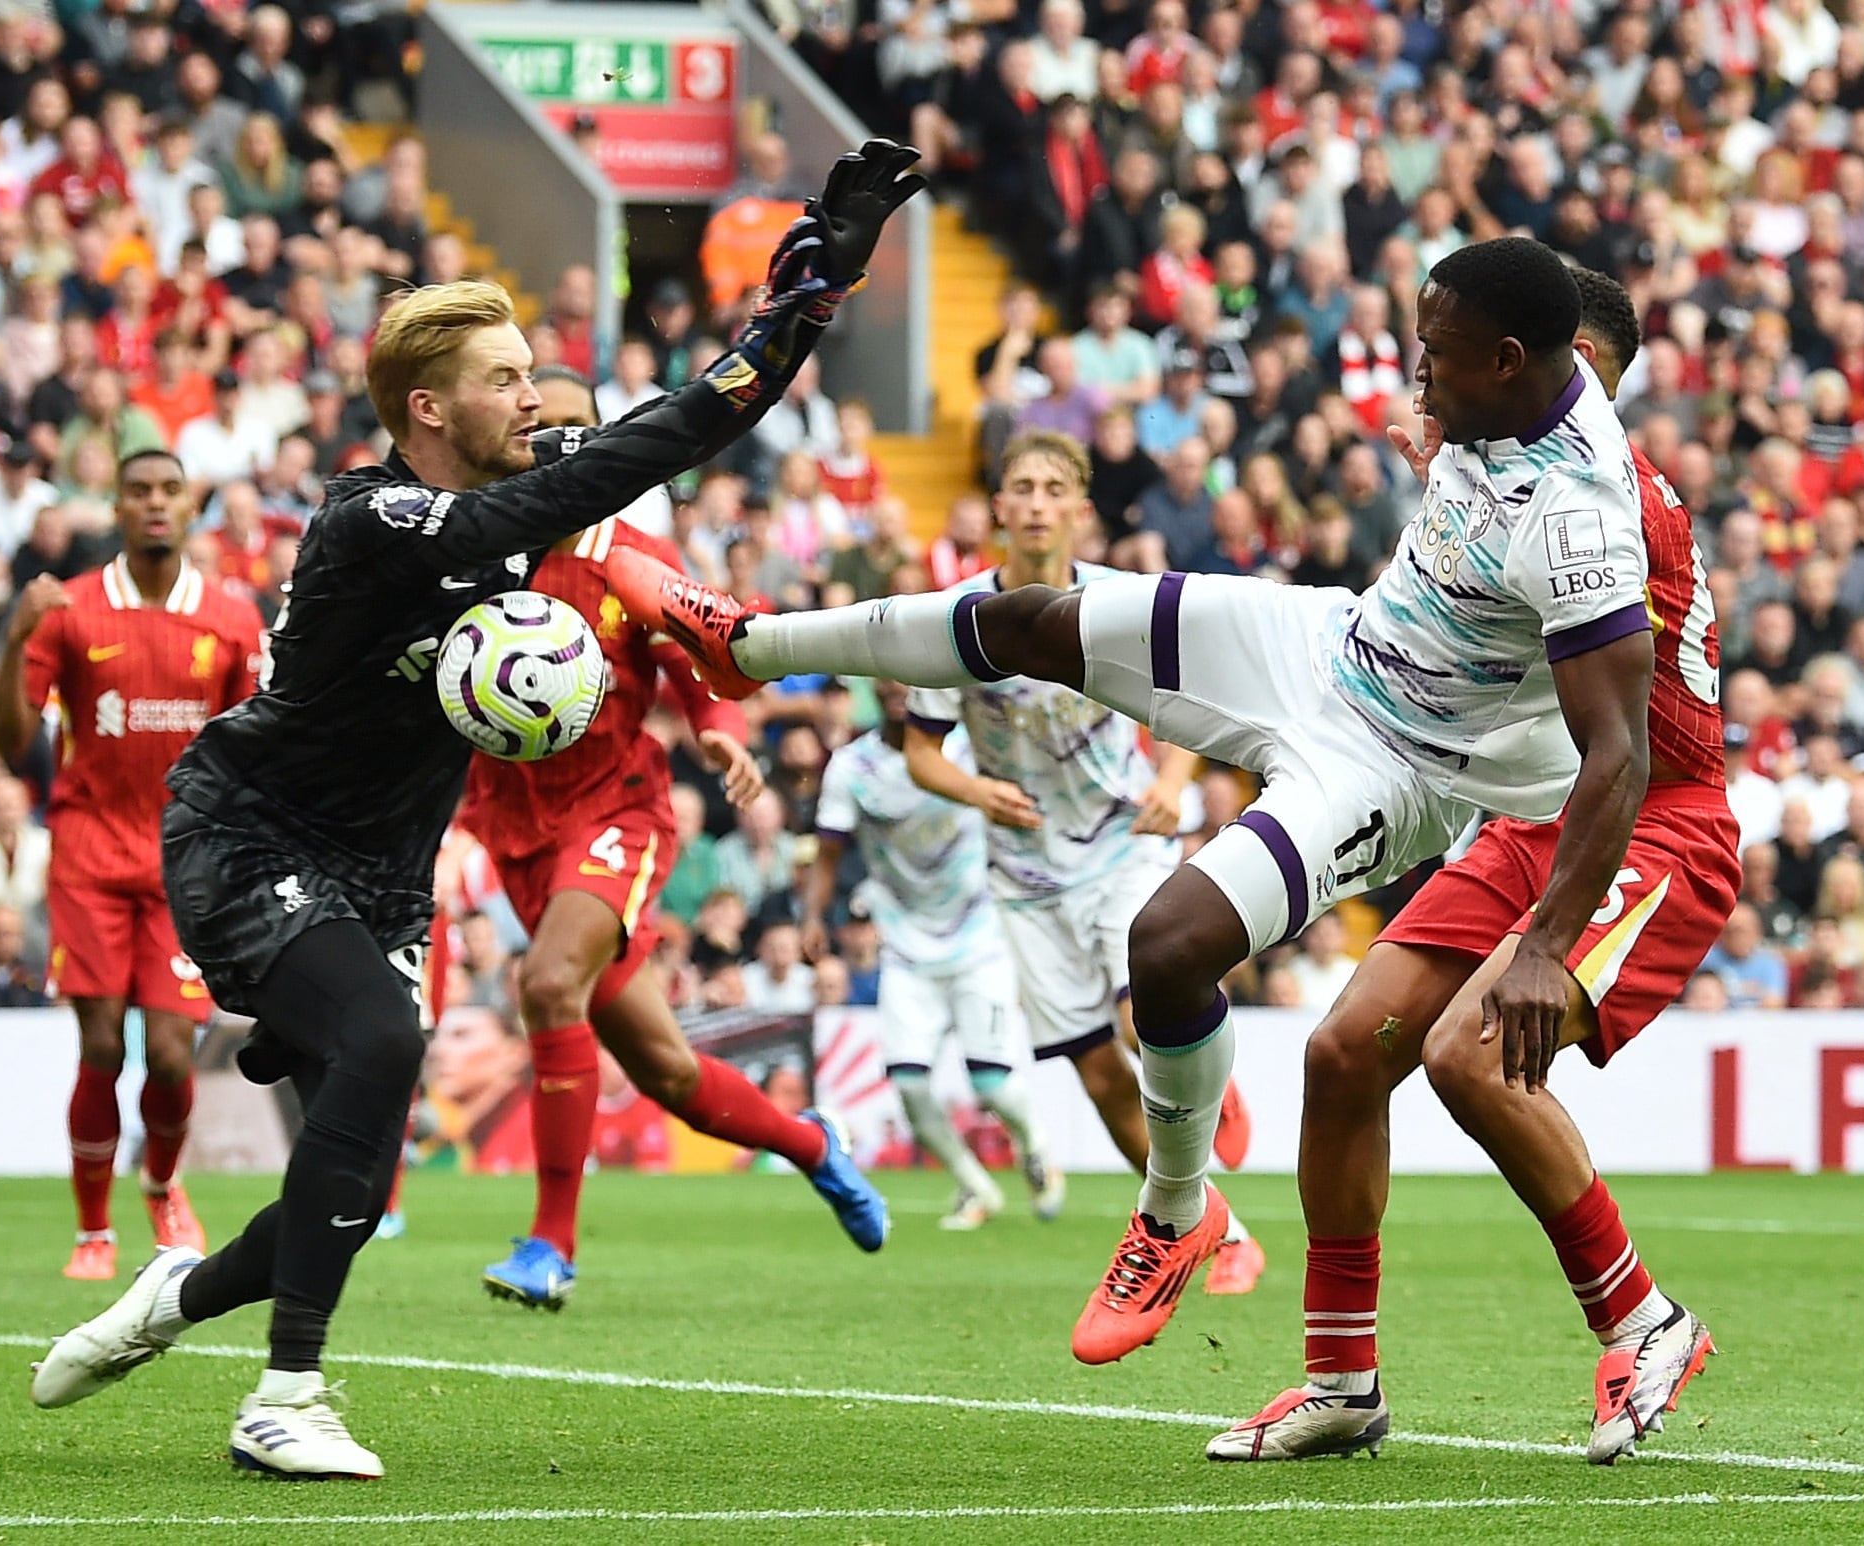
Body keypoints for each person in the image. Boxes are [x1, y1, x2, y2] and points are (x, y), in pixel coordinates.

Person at [28, 140, 922, 1481]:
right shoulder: (376, 522)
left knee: (360, 1184)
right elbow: (595, 473)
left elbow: (673, 427)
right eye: (505, 379)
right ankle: (285, 1393)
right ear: (429, 408)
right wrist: (690, 396)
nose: (535, 397)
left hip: (380, 874)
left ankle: (169, 1300)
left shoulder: (504, 481)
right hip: (247, 834)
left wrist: (801, 308)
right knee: (388, 1034)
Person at [615, 238, 1654, 1372]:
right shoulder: (1509, 387)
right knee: (1027, 620)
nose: (1417, 378)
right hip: (1324, 641)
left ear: (1510, 361)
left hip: (1396, 764)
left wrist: (1550, 942)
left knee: (1167, 946)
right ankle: (747, 647)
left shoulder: (1584, 521)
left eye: (1438, 359)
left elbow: (1617, 751)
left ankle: (1175, 1210)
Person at [1203, 268, 1735, 1467]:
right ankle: (1340, 1379)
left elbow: (1619, 749)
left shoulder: (1609, 504)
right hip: (1532, 816)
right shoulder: (1504, 470)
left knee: (1467, 1053)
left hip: (1650, 819)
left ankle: (1644, 1319)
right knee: (1345, 1053)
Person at [626, 423, 1265, 1285]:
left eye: (1053, 490)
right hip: (1025, 873)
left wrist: (1172, 776)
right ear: (998, 507)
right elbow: (922, 750)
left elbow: (1196, 700)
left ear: (1078, 508)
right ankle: (1210, 1230)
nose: (1036, 505)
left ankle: (1197, 1064)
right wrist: (976, 792)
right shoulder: (957, 620)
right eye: (1022, 490)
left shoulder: (1120, 600)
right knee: (1098, 1077)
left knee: (1135, 1013)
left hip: (1121, 842)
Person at [461, 368, 892, 1316]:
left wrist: (720, 739)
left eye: (583, 431)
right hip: (516, 832)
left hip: (615, 815)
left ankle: (550, 1243)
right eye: (545, 431)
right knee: (665, 1071)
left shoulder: (632, 558)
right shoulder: (480, 552)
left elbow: (703, 669)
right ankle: (811, 1143)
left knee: (544, 985)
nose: (563, 449)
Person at [0, 448, 267, 1280]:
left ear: (191, 508)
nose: (153, 504)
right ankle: (91, 1228)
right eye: (138, 491)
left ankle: (162, 1183)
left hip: (184, 866)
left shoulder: (231, 619)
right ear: (115, 506)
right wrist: (13, 636)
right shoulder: (67, 610)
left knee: (173, 1052)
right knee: (103, 1045)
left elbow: (252, 747)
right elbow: (10, 742)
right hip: (87, 858)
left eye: (168, 491)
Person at [806, 678, 1059, 1231]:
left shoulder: (968, 747)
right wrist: (811, 918)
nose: (897, 686)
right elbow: (827, 854)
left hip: (979, 935)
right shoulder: (853, 768)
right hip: (905, 946)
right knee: (909, 1086)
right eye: (887, 676)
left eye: (909, 675)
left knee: (990, 1083)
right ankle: (976, 1187)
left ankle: (1033, 1143)